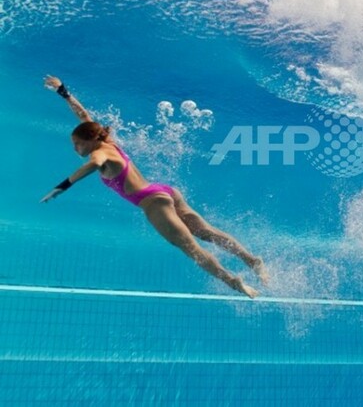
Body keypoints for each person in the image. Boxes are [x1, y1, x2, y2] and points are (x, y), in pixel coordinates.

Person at [39, 75, 267, 298]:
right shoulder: (106, 141)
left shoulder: (99, 153)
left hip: (153, 204)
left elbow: (93, 165)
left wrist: (62, 187)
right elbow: (84, 116)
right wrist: (63, 92)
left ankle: (236, 283)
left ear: (90, 140)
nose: (75, 148)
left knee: (193, 250)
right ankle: (251, 260)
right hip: (164, 191)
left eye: (77, 143)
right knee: (207, 232)